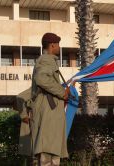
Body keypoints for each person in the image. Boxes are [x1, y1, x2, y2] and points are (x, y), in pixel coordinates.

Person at [31, 32, 69, 166]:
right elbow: (41, 79)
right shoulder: (47, 59)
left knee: (50, 150)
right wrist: (61, 92)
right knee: (48, 153)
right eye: (58, 44)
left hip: (49, 113)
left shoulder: (47, 60)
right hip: (49, 113)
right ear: (52, 45)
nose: (59, 47)